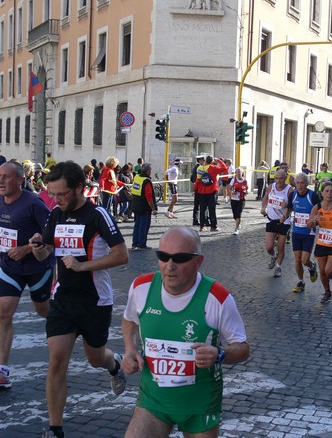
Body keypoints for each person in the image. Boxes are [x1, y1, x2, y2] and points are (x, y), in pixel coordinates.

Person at [30, 161, 129, 438]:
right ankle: (55, 429)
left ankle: (114, 364)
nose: (56, 199)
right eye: (52, 194)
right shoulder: (55, 215)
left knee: (95, 358)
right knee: (56, 361)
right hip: (62, 299)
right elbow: (45, 253)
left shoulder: (97, 214)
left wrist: (82, 265)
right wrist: (39, 246)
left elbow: (122, 255)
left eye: (61, 194)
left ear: (77, 188)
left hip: (95, 300)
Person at [120, 226, 250, 438]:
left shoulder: (217, 298)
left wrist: (220, 354)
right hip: (153, 401)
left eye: (179, 258)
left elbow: (243, 348)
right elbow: (129, 318)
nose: (169, 266)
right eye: (163, 256)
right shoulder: (141, 287)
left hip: (199, 405)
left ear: (198, 261)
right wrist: (129, 348)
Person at [0, 162, 54, 389]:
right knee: (3, 313)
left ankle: (65, 322)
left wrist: (26, 248)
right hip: (9, 267)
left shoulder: (33, 203)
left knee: (43, 310)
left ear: (20, 180)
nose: (1, 181)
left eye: (6, 177)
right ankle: (2, 370)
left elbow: (51, 234)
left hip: (37, 269)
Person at [289, 172, 320, 293]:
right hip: (296, 231)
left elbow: (320, 211)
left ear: (307, 184)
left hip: (308, 233)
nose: (300, 185)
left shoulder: (313, 196)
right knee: (297, 259)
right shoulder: (293, 195)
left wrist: (315, 221)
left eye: (302, 183)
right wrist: (284, 217)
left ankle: (312, 266)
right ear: (295, 183)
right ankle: (301, 282)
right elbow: (289, 208)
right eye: (298, 183)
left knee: (304, 260)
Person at [261, 169, 293, 277]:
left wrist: (286, 208)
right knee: (269, 247)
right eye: (276, 178)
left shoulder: (289, 190)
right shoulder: (271, 187)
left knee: (281, 247)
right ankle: (274, 256)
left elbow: (292, 207)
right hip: (271, 219)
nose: (278, 181)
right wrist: (263, 208)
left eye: (281, 178)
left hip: (284, 221)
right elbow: (265, 197)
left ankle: (278, 267)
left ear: (285, 178)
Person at [193, 156, 227, 232]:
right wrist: (218, 160)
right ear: (212, 161)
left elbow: (198, 180)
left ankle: (202, 226)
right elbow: (225, 168)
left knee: (202, 209)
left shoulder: (200, 168)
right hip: (212, 191)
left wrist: (194, 189)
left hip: (202, 191)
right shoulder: (213, 168)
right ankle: (213, 226)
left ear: (205, 161)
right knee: (212, 209)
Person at [131, 163, 158, 251]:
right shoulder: (146, 181)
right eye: (150, 170)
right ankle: (141, 245)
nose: (151, 171)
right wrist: (153, 208)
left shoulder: (137, 177)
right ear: (147, 171)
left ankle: (135, 243)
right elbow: (149, 197)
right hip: (144, 207)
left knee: (137, 225)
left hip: (136, 205)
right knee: (143, 226)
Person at [227, 167, 248, 235]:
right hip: (234, 199)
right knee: (235, 215)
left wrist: (245, 192)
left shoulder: (245, 181)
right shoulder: (233, 180)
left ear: (242, 173)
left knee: (238, 214)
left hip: (241, 199)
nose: (238, 174)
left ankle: (236, 229)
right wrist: (232, 192)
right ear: (235, 173)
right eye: (237, 172)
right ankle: (238, 224)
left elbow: (246, 190)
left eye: (239, 172)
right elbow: (229, 189)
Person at [191, 156, 206, 226]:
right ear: (200, 160)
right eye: (203, 160)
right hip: (199, 188)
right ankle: (196, 219)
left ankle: (196, 219)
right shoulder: (198, 168)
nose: (204, 161)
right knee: (198, 205)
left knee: (197, 205)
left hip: (197, 188)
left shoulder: (195, 167)